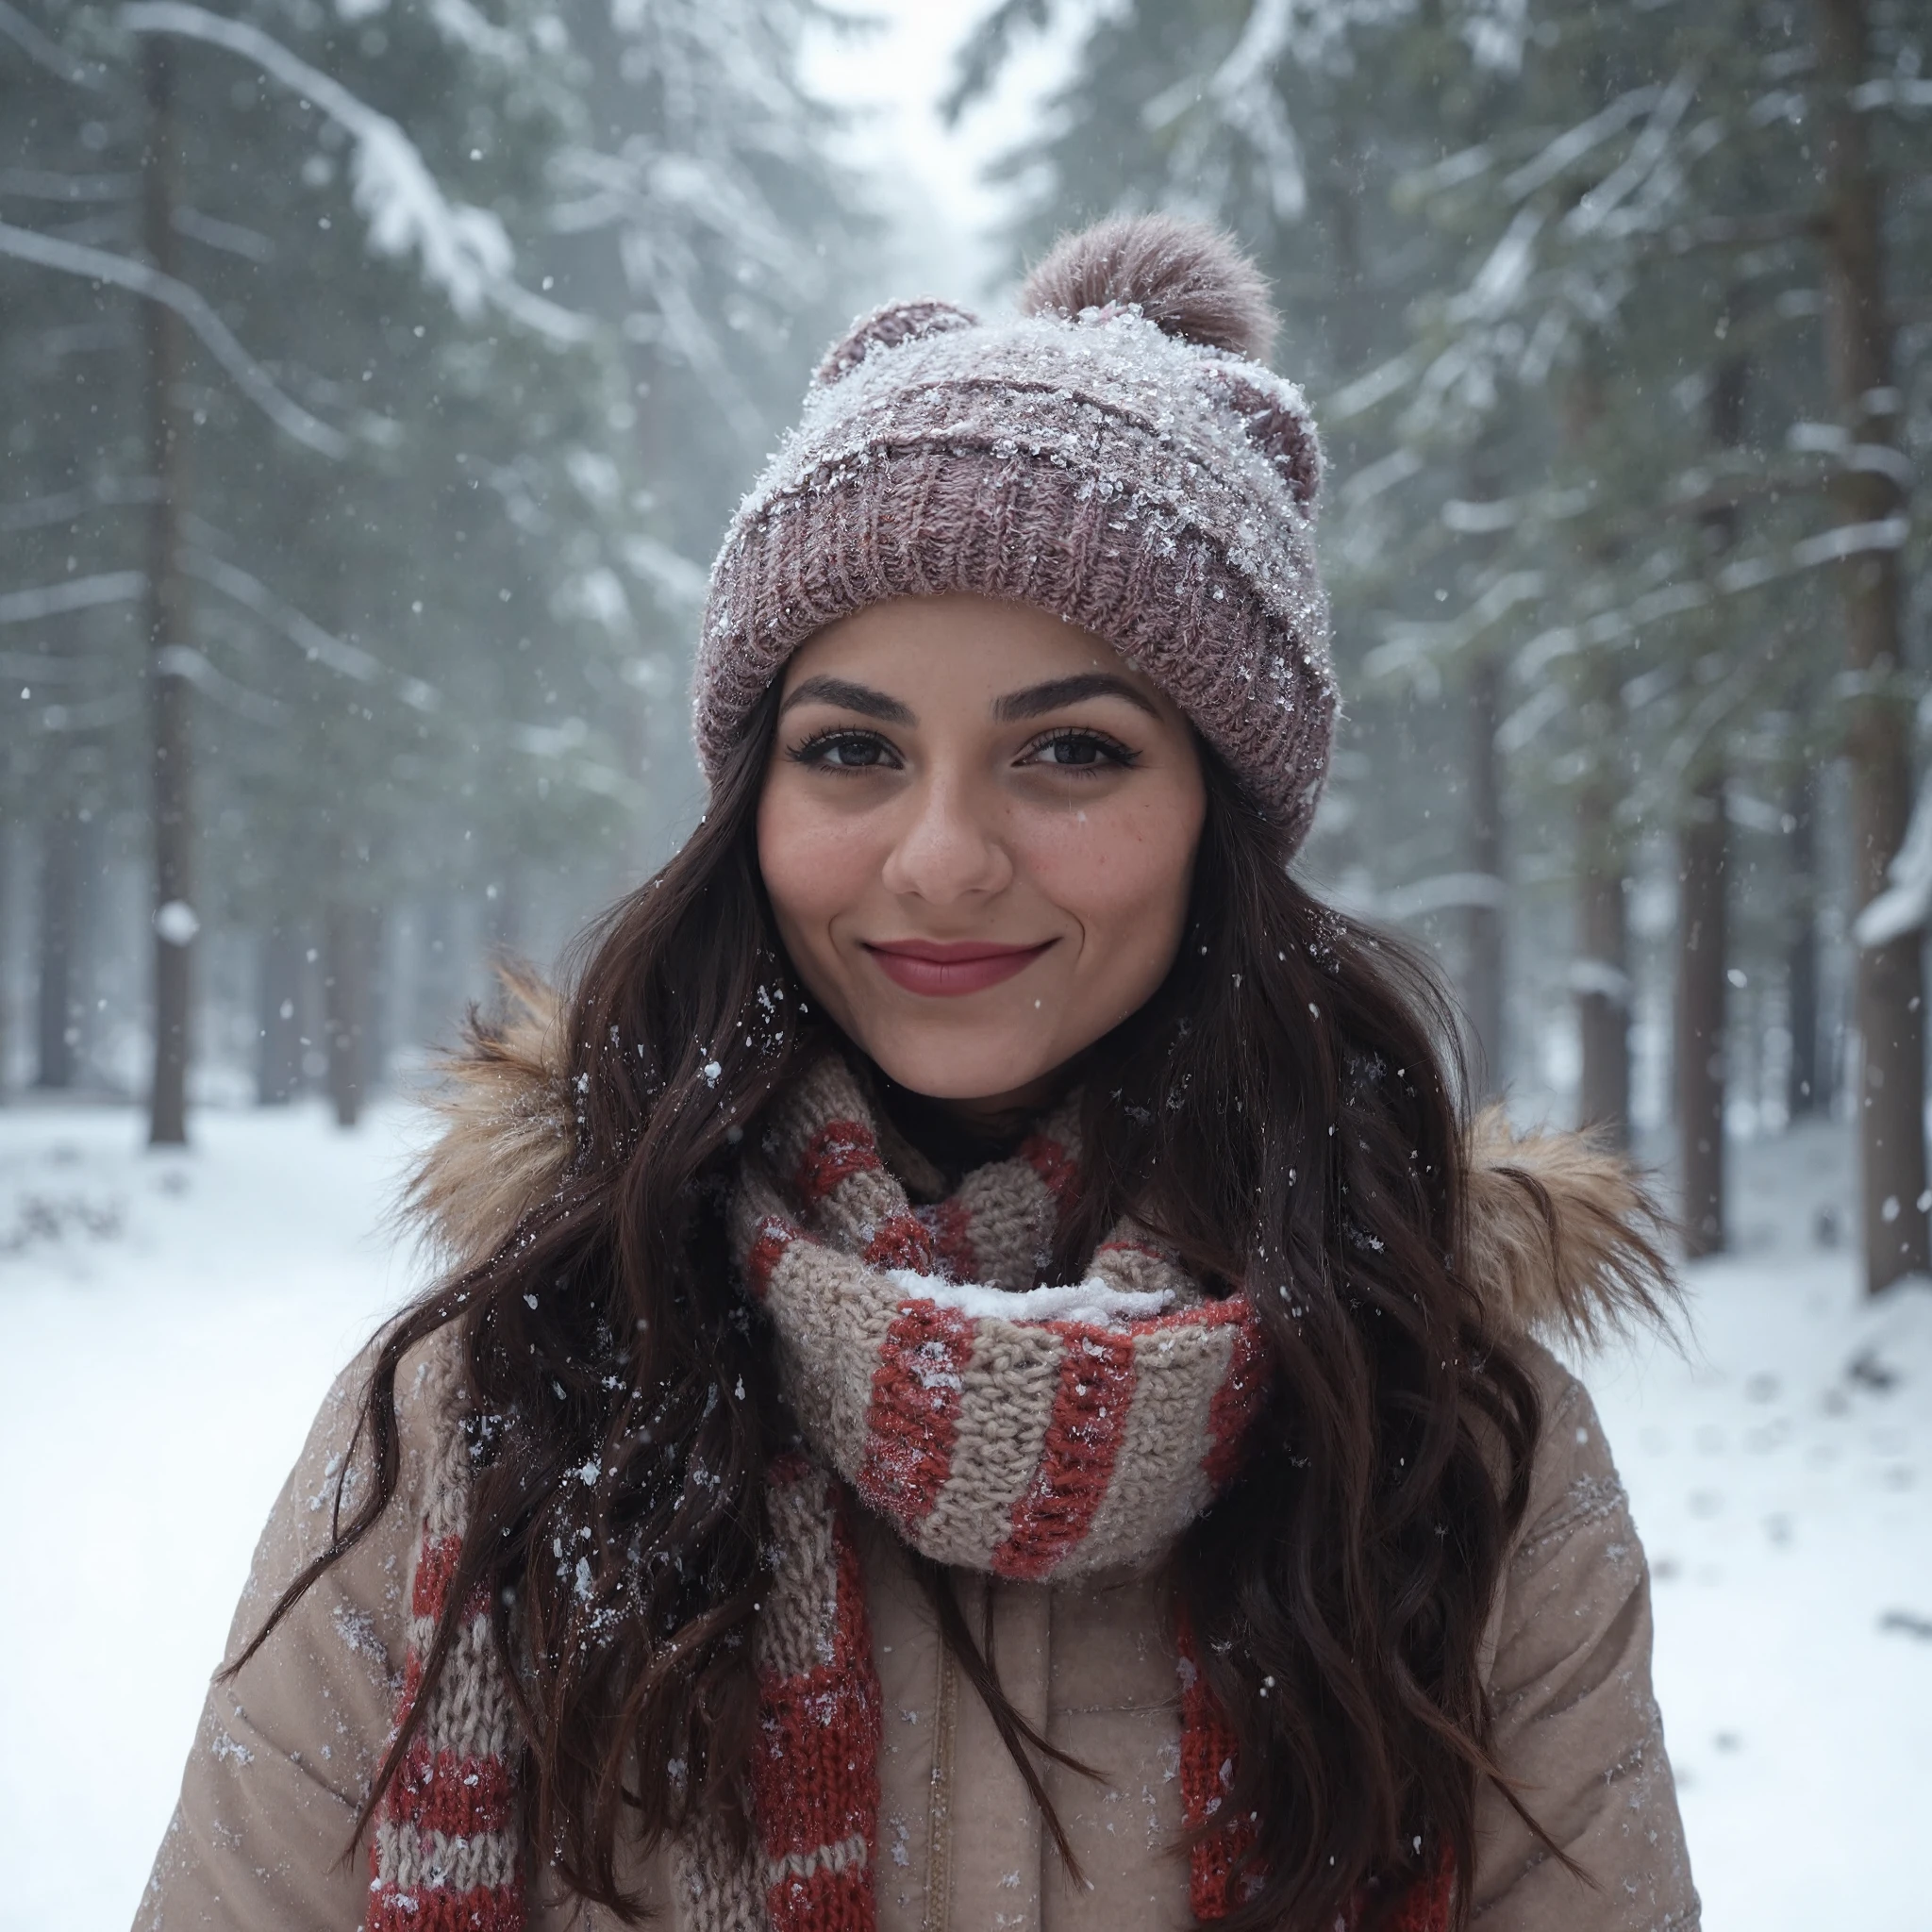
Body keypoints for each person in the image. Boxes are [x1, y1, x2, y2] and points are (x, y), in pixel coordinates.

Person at [140, 214, 1698, 1932]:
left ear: (1221, 821)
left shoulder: (1443, 1445)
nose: (944, 859)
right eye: (854, 751)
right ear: (758, 809)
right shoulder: (493, 1409)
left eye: (1073, 751)